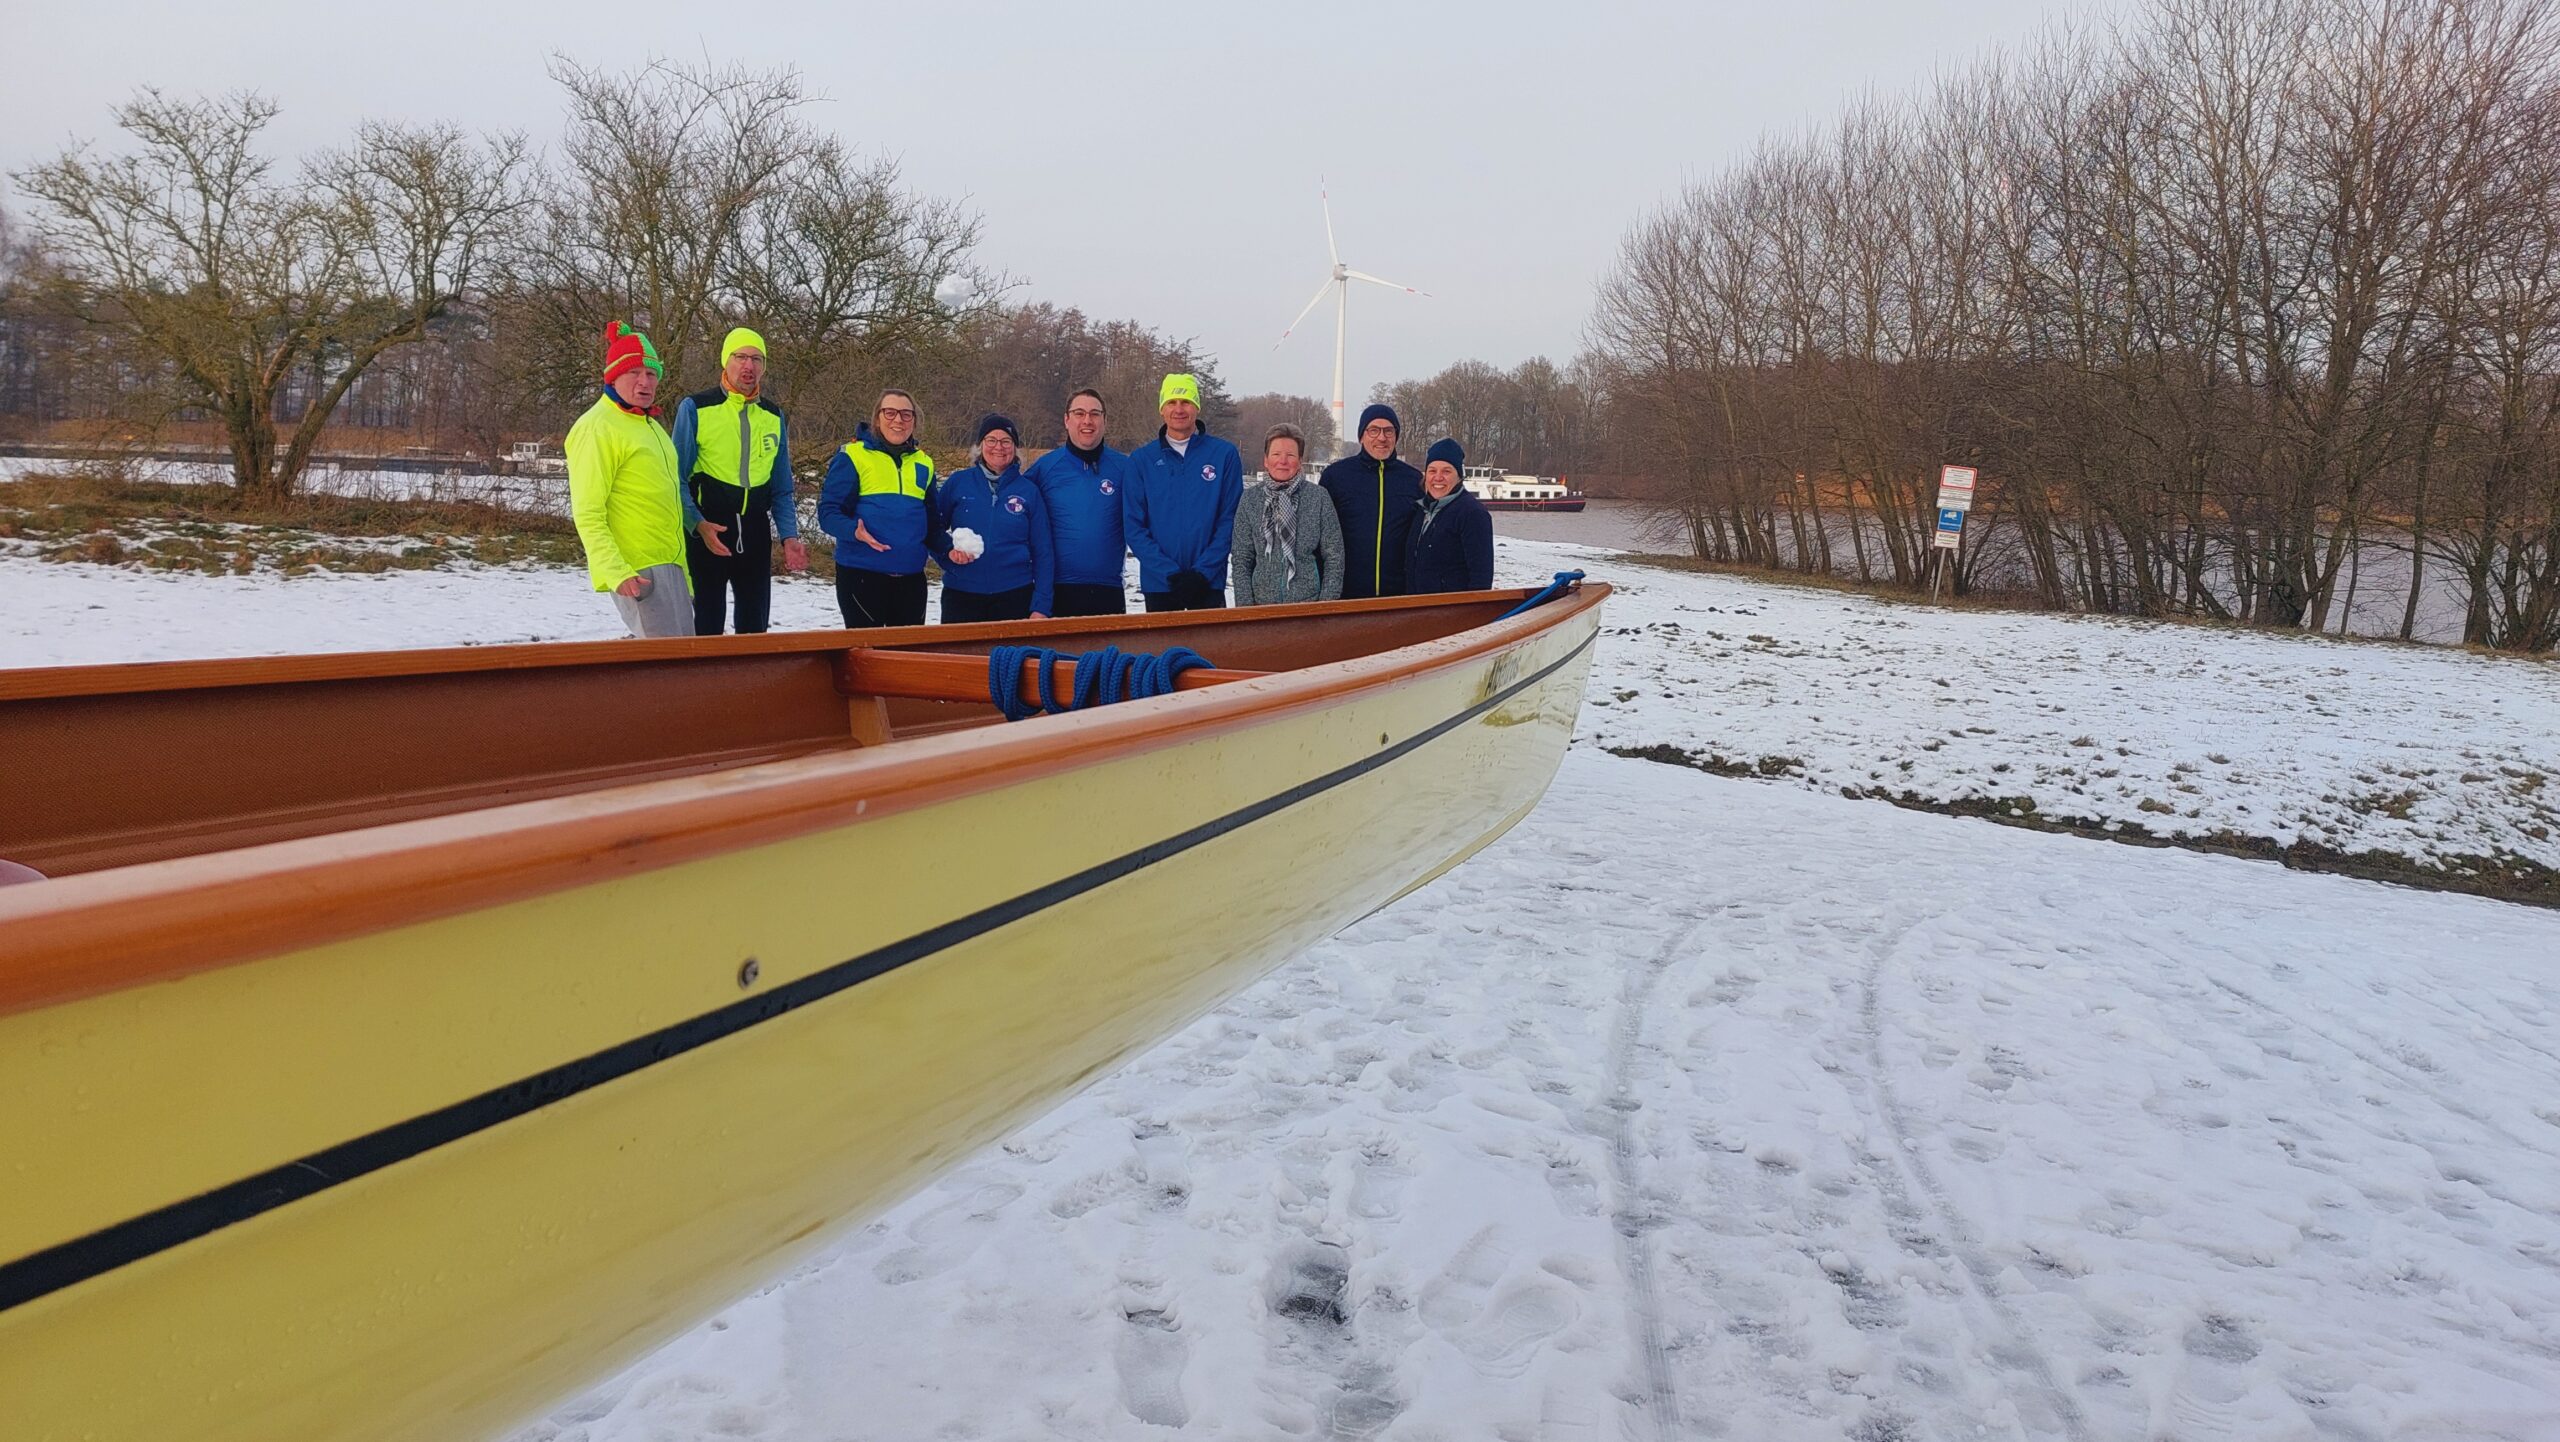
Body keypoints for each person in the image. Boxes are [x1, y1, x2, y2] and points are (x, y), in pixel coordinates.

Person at [671, 327, 807, 635]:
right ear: (725, 361)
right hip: (708, 529)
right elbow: (675, 478)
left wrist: (789, 537)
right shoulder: (696, 408)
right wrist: (696, 523)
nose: (749, 366)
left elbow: (782, 488)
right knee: (706, 626)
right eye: (740, 357)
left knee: (754, 627)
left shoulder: (773, 415)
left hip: (755, 531)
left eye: (757, 359)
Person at [566, 322, 692, 638]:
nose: (644, 382)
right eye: (634, 372)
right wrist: (615, 570)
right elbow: (588, 511)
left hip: (673, 565)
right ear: (613, 376)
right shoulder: (597, 427)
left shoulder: (651, 426)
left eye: (651, 374)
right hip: (638, 571)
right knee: (664, 664)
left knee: (685, 659)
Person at [818, 389, 937, 627]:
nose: (898, 420)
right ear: (877, 418)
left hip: (911, 578)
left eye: (906, 414)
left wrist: (951, 552)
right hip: (862, 575)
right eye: (890, 412)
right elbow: (828, 513)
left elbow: (933, 522)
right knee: (867, 650)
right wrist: (853, 531)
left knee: (908, 651)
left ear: (914, 421)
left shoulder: (924, 462)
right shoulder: (853, 455)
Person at [1124, 373, 1243, 611]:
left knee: (1210, 639)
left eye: (1186, 401)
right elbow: (1134, 526)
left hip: (1207, 583)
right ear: (1162, 409)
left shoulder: (1224, 455)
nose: (1179, 409)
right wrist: (1169, 573)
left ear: (1197, 407)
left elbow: (1230, 519)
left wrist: (1203, 572)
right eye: (1171, 402)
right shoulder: (1141, 460)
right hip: (1161, 585)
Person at [1022, 387, 1137, 615]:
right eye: (1079, 413)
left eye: (1095, 414)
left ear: (1104, 421)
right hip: (1059, 589)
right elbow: (1014, 512)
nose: (1087, 421)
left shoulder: (1124, 468)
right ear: (1067, 420)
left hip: (1109, 590)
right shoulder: (1045, 469)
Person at [931, 414, 1055, 623]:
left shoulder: (1028, 491)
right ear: (980, 445)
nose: (999, 447)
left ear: (1015, 448)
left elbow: (1043, 551)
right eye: (991, 440)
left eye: (1006, 441)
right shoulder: (958, 483)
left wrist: (1041, 606)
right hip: (961, 595)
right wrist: (947, 555)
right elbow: (933, 529)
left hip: (1014, 594)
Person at [1230, 423, 1345, 606]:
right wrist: (1246, 610)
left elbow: (1334, 556)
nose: (1283, 461)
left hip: (1309, 606)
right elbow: (1241, 559)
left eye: (1290, 455)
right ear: (1266, 460)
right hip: (1261, 606)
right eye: (1276, 454)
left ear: (1300, 461)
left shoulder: (1318, 497)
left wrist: (1325, 606)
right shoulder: (1250, 499)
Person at [1319, 402, 1425, 600]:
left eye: (1388, 431)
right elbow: (1321, 535)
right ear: (1361, 436)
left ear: (1396, 436)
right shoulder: (1335, 476)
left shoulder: (1413, 480)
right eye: (1374, 430)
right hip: (1346, 594)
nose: (1382, 438)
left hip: (1399, 596)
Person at [1406, 438, 1495, 593]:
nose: (1438, 477)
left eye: (1446, 471)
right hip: (1418, 603)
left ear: (1459, 476)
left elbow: (1481, 576)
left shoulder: (1472, 513)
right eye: (1432, 471)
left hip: (1451, 605)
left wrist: (1473, 606)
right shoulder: (1421, 510)